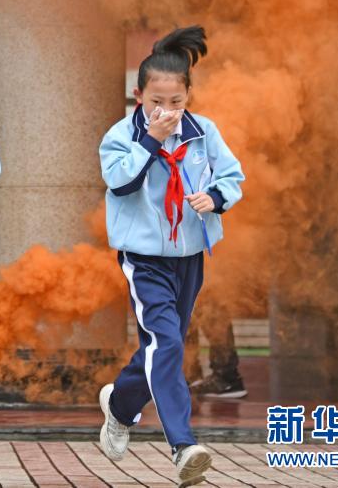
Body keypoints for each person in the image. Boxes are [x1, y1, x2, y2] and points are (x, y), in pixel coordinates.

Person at [96, 26, 245, 488]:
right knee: (168, 345)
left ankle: (119, 407)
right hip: (144, 259)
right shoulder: (121, 136)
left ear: (188, 96)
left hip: (190, 256)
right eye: (156, 102)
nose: (166, 111)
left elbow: (233, 176)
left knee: (162, 346)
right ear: (138, 95)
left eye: (176, 102)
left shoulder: (204, 133)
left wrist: (215, 198)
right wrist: (150, 141)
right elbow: (119, 183)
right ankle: (183, 446)